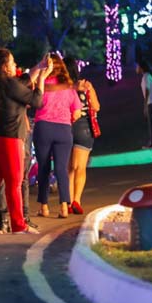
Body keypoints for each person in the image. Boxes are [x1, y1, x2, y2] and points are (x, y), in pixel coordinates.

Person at [0, 48, 49, 235]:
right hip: (10, 138)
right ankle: (18, 225)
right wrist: (42, 79)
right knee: (14, 182)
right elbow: (36, 101)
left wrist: (39, 67)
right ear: (4, 67)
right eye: (12, 63)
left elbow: (25, 81)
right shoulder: (10, 84)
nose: (15, 66)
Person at [33, 54, 81, 219]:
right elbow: (77, 112)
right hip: (64, 130)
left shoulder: (42, 84)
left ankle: (44, 207)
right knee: (61, 168)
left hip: (43, 128)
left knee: (44, 168)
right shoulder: (69, 88)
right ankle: (64, 207)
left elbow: (34, 101)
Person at [69, 72, 100, 215]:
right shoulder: (86, 87)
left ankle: (69, 202)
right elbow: (96, 107)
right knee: (80, 167)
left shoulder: (64, 89)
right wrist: (90, 89)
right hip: (85, 129)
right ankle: (76, 200)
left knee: (70, 168)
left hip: (67, 128)